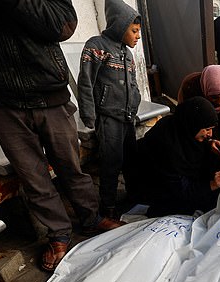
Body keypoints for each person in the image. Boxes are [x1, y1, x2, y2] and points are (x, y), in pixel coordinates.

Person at [0, 0, 125, 273]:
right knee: (33, 176)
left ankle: (91, 218)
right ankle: (58, 232)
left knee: (70, 164)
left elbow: (63, 25)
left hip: (48, 91)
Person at [78, 0, 142, 219]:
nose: (137, 36)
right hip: (108, 119)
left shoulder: (128, 55)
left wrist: (135, 108)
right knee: (111, 163)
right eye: (134, 31)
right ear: (119, 26)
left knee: (132, 159)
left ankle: (135, 198)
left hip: (127, 118)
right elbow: (85, 82)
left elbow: (133, 85)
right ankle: (108, 208)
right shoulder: (96, 46)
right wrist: (89, 114)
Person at [124, 97, 220, 217]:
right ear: (193, 124)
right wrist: (212, 184)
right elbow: (181, 189)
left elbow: (193, 142)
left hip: (173, 181)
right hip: (149, 186)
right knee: (195, 205)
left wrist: (209, 143)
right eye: (207, 129)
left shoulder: (182, 127)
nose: (210, 134)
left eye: (211, 129)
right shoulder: (166, 144)